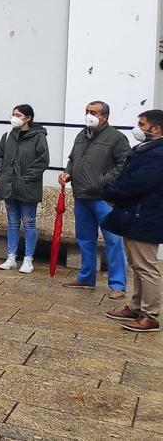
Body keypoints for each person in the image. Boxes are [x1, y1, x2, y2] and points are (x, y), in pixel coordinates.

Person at [60, 100, 130, 297]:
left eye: (94, 112)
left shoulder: (116, 137)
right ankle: (86, 277)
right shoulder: (81, 135)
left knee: (113, 241)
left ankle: (118, 285)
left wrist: (103, 182)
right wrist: (67, 173)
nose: (89, 115)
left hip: (104, 199)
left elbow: (124, 164)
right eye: (87, 111)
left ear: (105, 116)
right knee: (84, 239)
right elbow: (73, 160)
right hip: (81, 196)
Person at [103, 109, 163, 332]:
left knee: (146, 267)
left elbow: (137, 182)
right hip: (134, 215)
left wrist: (111, 194)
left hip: (145, 216)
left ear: (156, 129)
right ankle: (137, 306)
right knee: (137, 265)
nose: (138, 128)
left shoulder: (158, 154)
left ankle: (151, 315)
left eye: (142, 124)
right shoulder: (145, 149)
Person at [0, 104, 50, 273]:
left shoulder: (38, 137)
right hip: (8, 186)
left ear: (28, 118)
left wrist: (26, 178)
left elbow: (42, 160)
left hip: (28, 187)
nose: (14, 117)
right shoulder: (8, 135)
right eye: (13, 114)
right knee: (12, 223)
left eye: (18, 114)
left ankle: (28, 259)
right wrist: (0, 174)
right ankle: (11, 257)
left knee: (29, 223)